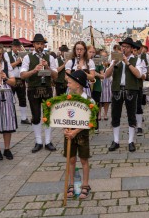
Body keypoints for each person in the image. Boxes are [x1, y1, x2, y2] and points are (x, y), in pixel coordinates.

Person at [20, 34, 58, 153]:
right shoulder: (27, 58)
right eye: (38, 44)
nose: (40, 46)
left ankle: (48, 141)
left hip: (46, 88)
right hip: (33, 89)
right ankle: (38, 141)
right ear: (34, 45)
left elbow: (55, 76)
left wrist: (47, 67)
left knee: (48, 116)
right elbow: (22, 75)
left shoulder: (50, 58)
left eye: (42, 44)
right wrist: (34, 70)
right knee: (36, 116)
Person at [105, 37, 142, 152]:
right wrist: (114, 63)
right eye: (123, 47)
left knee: (131, 115)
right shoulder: (115, 59)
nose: (124, 48)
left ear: (131, 49)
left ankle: (131, 141)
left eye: (126, 47)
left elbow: (138, 75)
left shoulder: (137, 60)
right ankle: (115, 141)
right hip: (117, 90)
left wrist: (127, 62)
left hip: (131, 90)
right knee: (115, 115)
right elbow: (106, 75)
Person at [64, 70, 93, 200]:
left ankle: (85, 184)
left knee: (83, 159)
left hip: (81, 134)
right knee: (70, 159)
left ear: (78, 84)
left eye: (70, 83)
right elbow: (62, 115)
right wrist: (65, 129)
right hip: (69, 133)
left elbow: (89, 120)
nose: (68, 85)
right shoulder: (67, 98)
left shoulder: (88, 100)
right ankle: (71, 183)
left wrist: (75, 131)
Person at [4, 39, 31, 124]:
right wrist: (18, 62)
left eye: (18, 46)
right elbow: (8, 67)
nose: (17, 48)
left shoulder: (23, 55)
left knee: (22, 98)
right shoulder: (7, 54)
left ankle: (23, 118)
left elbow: (27, 67)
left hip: (21, 79)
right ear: (12, 47)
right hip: (11, 79)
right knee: (10, 98)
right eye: (16, 46)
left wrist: (24, 59)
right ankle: (10, 117)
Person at [89, 46, 104, 133]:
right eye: (90, 52)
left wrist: (96, 74)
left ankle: (95, 126)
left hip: (96, 87)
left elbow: (103, 76)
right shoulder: (84, 62)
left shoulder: (98, 62)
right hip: (86, 87)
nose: (92, 54)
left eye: (93, 52)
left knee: (95, 106)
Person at [99, 50, 112, 121]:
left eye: (105, 56)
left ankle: (105, 114)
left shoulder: (109, 64)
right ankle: (99, 114)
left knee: (106, 99)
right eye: (102, 56)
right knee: (100, 99)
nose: (104, 57)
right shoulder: (97, 63)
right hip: (99, 82)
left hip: (106, 82)